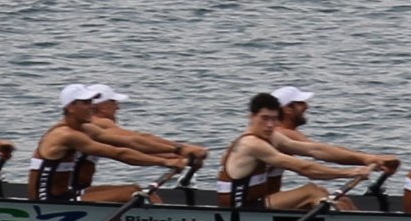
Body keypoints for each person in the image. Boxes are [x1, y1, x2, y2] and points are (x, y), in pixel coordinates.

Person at [216, 93, 380, 210]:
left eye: (274, 119)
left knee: (329, 195)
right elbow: (304, 168)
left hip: (257, 202)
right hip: (240, 210)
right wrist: (350, 173)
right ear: (251, 117)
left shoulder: (272, 137)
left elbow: (315, 150)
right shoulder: (251, 144)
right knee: (311, 191)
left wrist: (367, 159)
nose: (270, 125)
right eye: (264, 118)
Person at [27, 84, 186, 203]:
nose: (91, 107)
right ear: (70, 107)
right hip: (48, 202)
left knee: (135, 189)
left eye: (91, 102)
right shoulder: (65, 135)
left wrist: (178, 151)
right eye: (86, 103)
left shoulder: (85, 128)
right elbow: (119, 153)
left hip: (66, 195)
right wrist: (165, 161)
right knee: (128, 194)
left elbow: (130, 141)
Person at [79, 83, 208, 198]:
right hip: (66, 197)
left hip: (78, 191)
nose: (118, 108)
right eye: (113, 102)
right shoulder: (98, 123)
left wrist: (179, 156)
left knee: (135, 189)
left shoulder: (93, 126)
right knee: (130, 192)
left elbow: (138, 146)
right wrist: (180, 151)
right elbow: (135, 142)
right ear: (97, 107)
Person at [268, 85, 400, 174]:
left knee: (341, 201)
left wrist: (372, 158)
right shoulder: (282, 133)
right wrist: (366, 160)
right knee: (314, 192)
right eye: (301, 103)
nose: (307, 106)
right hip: (258, 204)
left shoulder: (287, 133)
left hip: (267, 199)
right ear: (287, 109)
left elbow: (327, 149)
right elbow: (319, 151)